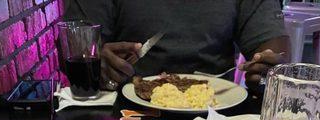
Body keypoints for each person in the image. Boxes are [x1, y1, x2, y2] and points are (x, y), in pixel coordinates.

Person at [63, 0, 289, 93]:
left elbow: (273, 45)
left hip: (216, 112)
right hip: (122, 113)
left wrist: (268, 67)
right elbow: (75, 43)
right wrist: (94, 60)